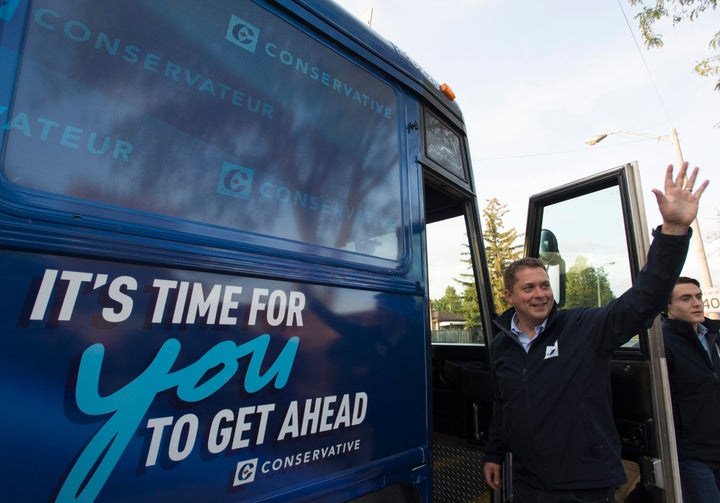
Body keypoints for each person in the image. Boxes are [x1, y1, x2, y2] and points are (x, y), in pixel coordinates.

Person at [482, 162, 709, 503]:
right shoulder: (503, 344)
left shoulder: (583, 327)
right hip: (529, 483)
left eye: (545, 285)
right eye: (528, 288)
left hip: (585, 485)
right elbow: (504, 405)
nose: (540, 294)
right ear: (509, 297)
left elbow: (643, 301)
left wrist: (673, 232)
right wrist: (494, 453)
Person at [662, 276, 720, 502]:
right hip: (691, 454)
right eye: (685, 299)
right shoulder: (662, 344)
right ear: (667, 307)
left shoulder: (713, 336)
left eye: (698, 296)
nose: (696, 303)